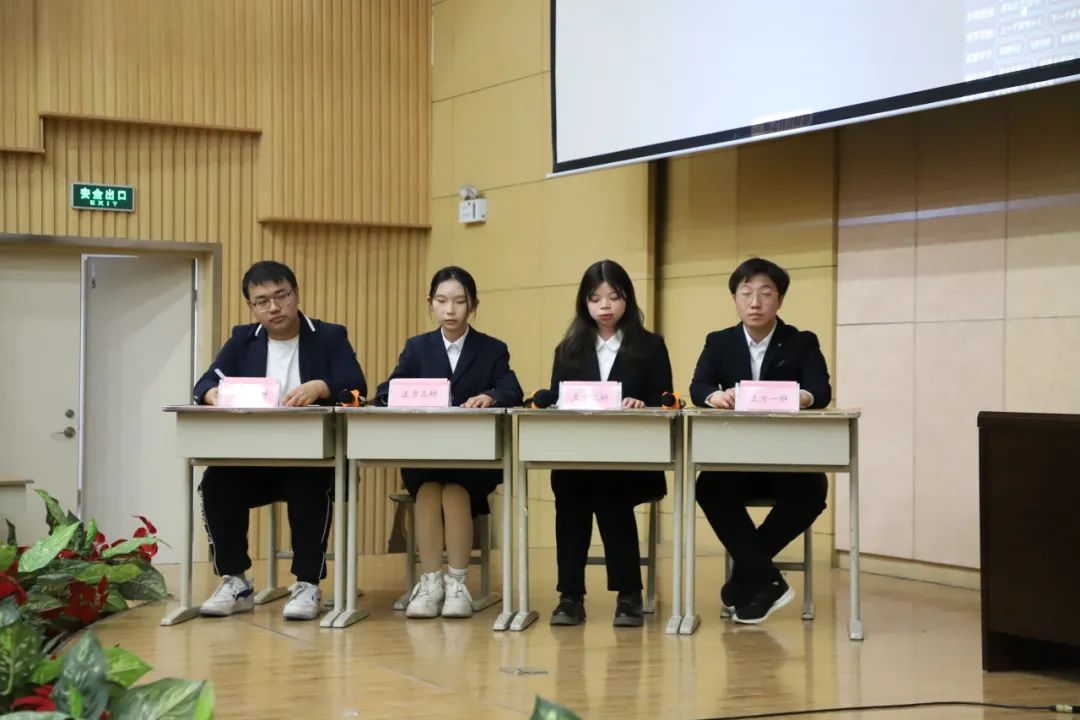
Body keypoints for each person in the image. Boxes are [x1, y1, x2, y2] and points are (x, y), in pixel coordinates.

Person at [193, 260, 366, 621]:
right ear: (251, 306)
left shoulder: (328, 336)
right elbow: (205, 382)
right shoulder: (243, 339)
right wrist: (212, 394)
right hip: (256, 459)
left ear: (295, 294)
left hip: (315, 459)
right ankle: (235, 581)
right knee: (216, 482)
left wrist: (321, 387)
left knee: (310, 483)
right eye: (262, 301)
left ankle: (307, 584)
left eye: (281, 296)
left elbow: (356, 387)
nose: (273, 307)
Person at [690, 257, 831, 624]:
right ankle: (766, 579)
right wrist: (713, 397)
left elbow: (820, 390)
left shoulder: (801, 342)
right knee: (708, 487)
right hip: (737, 459)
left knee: (813, 490)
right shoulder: (719, 342)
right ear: (735, 298)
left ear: (779, 300)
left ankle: (747, 577)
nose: (755, 302)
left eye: (766, 294)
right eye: (746, 293)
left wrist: (800, 397)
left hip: (788, 460)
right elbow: (699, 386)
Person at [375, 266, 523, 618]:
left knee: (455, 491)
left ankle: (457, 583)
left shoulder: (492, 348)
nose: (450, 309)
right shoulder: (417, 347)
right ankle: (431, 583)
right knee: (428, 491)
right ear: (431, 303)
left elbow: (512, 389)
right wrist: (405, 396)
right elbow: (387, 390)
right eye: (442, 301)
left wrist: (490, 396)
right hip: (426, 452)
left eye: (459, 301)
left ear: (473, 305)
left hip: (474, 458)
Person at [548, 259, 673, 627]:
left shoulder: (651, 346)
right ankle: (570, 595)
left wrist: (644, 404)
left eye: (613, 297)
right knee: (570, 485)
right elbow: (557, 400)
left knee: (609, 486)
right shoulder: (567, 349)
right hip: (579, 455)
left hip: (632, 459)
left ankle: (628, 594)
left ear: (627, 300)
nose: (605, 306)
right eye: (595, 298)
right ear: (584, 303)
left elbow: (665, 399)